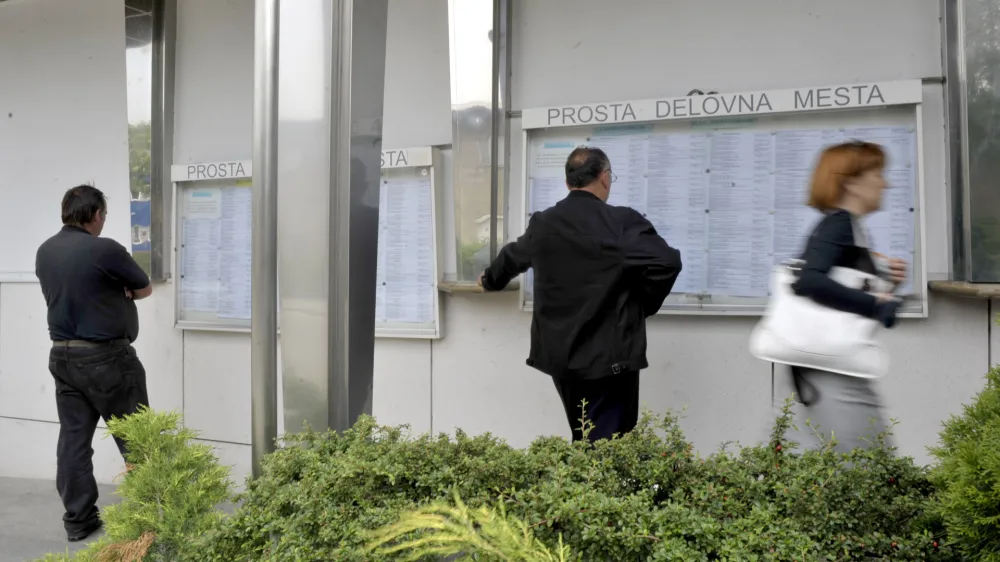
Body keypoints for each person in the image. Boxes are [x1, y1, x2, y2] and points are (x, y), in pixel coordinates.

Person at [478, 147, 682, 442]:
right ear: (604, 177)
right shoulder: (621, 223)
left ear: (568, 182)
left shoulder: (544, 223)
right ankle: (590, 487)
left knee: (584, 432)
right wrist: (641, 305)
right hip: (609, 359)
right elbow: (668, 262)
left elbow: (512, 257)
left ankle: (579, 484)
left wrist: (489, 280)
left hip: (561, 357)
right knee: (609, 443)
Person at [35, 184, 153, 542]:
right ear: (97, 214)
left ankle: (79, 521)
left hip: (63, 356)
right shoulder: (105, 250)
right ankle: (152, 516)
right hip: (108, 359)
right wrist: (122, 292)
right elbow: (145, 288)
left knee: (73, 440)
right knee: (138, 439)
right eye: (104, 215)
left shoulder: (46, 251)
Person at [785, 141, 907, 453]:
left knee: (848, 467)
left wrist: (884, 281)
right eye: (877, 173)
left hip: (834, 365)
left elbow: (839, 284)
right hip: (831, 371)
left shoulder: (850, 228)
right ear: (851, 182)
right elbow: (809, 280)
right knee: (866, 466)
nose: (885, 183)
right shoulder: (838, 225)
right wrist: (875, 304)